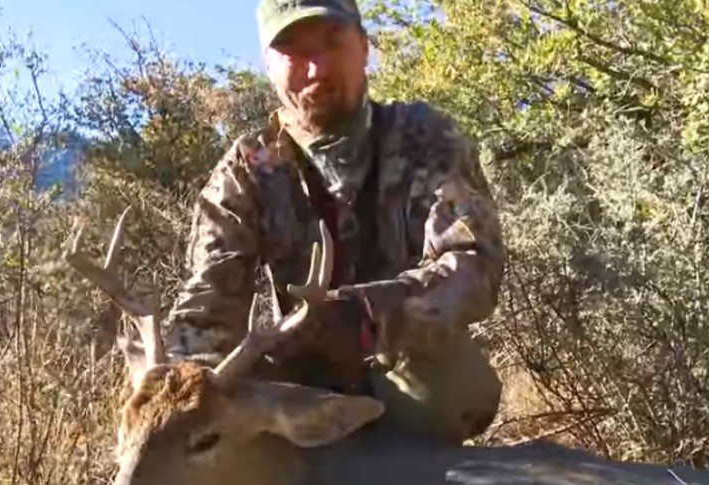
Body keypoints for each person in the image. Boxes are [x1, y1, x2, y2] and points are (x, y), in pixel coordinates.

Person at [159, 0, 505, 444]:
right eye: (293, 51)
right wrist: (185, 378)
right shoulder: (247, 168)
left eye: (332, 42)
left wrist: (365, 315)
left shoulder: (425, 137)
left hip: (401, 367)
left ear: (364, 47)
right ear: (268, 65)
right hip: (296, 374)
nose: (317, 68)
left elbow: (472, 265)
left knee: (460, 387)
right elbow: (209, 294)